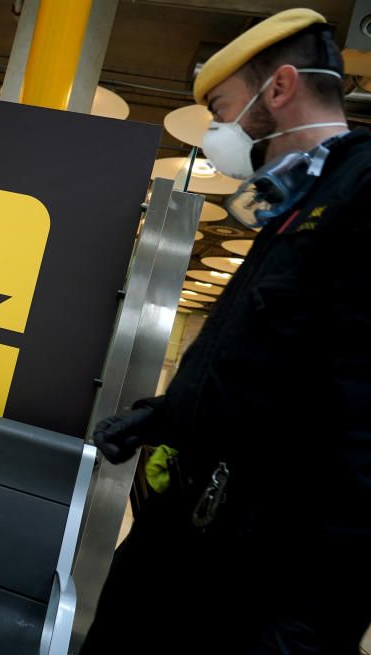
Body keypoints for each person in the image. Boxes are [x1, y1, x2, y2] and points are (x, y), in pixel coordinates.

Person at [83, 8, 371, 654]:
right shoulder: (291, 208)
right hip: (176, 543)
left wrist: (314, 621)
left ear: (280, 88)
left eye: (220, 109)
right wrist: (162, 416)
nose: (214, 132)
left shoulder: (361, 194)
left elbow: (362, 431)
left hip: (256, 582)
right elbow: (257, 365)